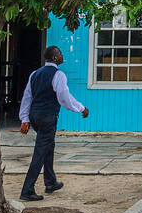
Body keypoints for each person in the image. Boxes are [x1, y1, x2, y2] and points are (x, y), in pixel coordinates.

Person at [19, 45, 90, 202]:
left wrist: (25, 119)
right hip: (47, 117)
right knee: (40, 152)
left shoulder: (34, 74)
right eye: (60, 53)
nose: (62, 56)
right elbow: (64, 98)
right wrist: (81, 108)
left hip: (35, 116)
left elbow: (27, 97)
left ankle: (50, 182)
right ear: (55, 58)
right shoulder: (58, 75)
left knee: (48, 147)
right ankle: (27, 189)